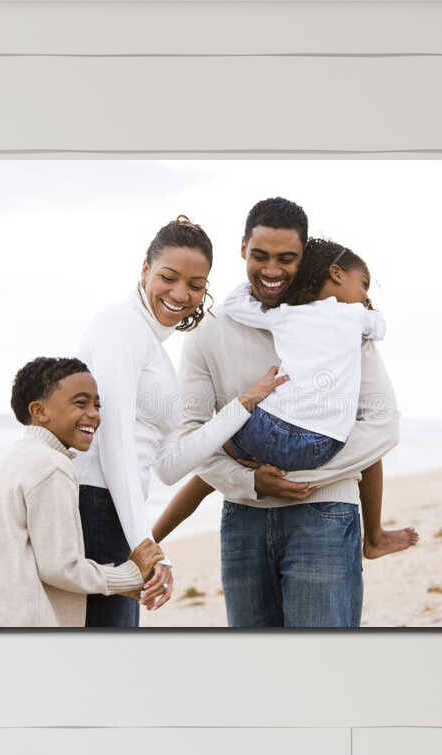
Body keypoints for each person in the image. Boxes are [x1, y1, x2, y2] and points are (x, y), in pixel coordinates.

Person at [172, 197, 401, 628]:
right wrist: (248, 481)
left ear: (304, 257)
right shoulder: (209, 332)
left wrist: (296, 480)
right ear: (242, 250)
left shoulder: (343, 325)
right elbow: (191, 436)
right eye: (260, 256)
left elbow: (383, 426)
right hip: (242, 517)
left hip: (326, 512)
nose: (272, 270)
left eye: (286, 258)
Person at [72, 216, 288, 627]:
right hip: (94, 507)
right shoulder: (121, 326)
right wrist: (146, 544)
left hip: (117, 511)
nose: (180, 294)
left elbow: (169, 466)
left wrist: (243, 405)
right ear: (144, 270)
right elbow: (114, 441)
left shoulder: (156, 352)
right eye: (168, 277)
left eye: (195, 285)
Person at [151, 237, 416, 562]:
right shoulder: (349, 320)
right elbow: (379, 331)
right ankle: (373, 535)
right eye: (364, 285)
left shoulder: (285, 316)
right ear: (334, 273)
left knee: (212, 457)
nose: (365, 296)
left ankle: (151, 537)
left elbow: (239, 306)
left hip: (265, 435)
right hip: (316, 439)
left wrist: (252, 478)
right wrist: (367, 315)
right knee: (360, 444)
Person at [0, 356, 170, 628]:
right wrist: (130, 574)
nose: (94, 414)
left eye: (97, 404)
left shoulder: (17, 457)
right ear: (39, 411)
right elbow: (61, 568)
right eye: (80, 403)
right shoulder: (52, 467)